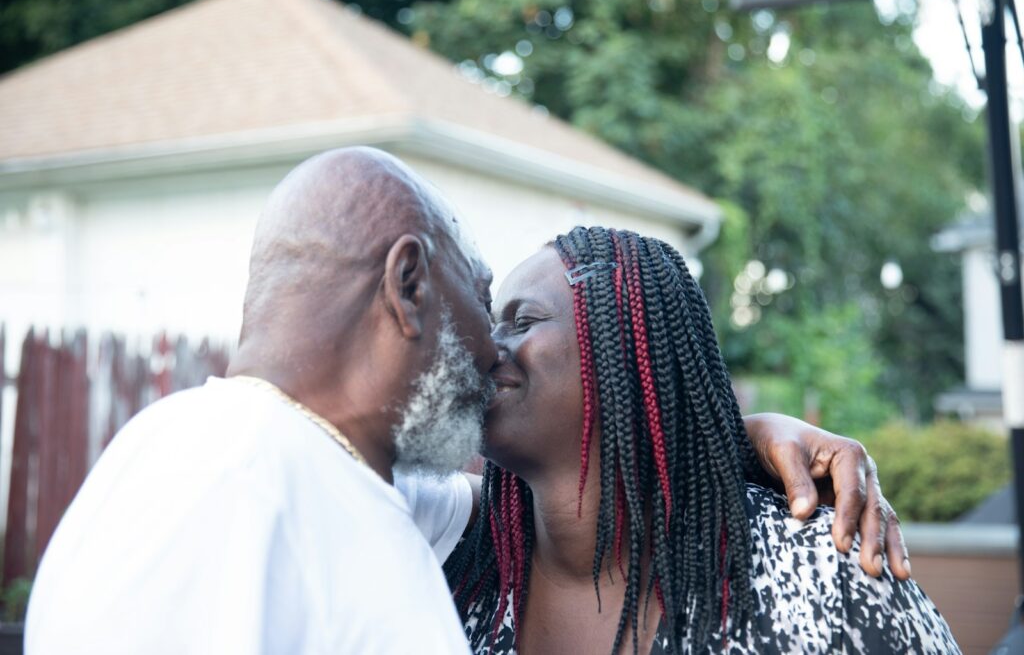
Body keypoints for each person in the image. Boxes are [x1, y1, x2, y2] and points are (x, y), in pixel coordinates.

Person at [26, 148, 908, 654]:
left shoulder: (381, 500)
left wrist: (736, 433)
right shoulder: (219, 485)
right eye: (479, 302)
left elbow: (622, 477)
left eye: (516, 316)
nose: (490, 348)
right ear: (408, 285)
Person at [443, 227, 958, 654]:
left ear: (627, 347)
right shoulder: (453, 572)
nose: (485, 347)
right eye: (490, 324)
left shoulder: (823, 572)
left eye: (523, 321)